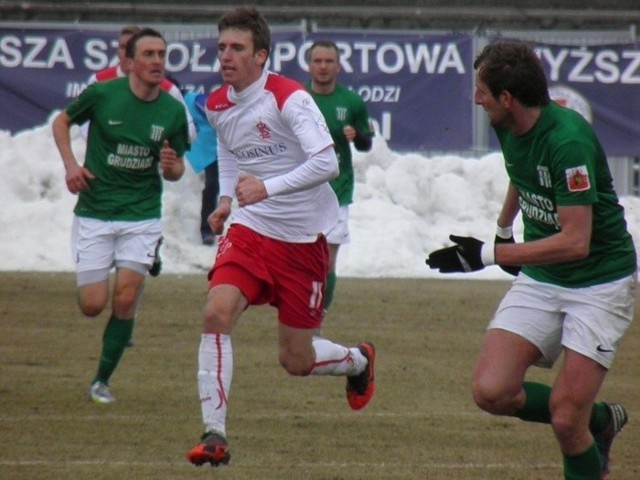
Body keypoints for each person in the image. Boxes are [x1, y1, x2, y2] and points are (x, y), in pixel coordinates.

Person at [426, 40, 636, 480]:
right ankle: (601, 419)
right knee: (491, 390)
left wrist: (488, 254)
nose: (475, 99)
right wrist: (503, 227)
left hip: (599, 283)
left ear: (507, 98)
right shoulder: (509, 125)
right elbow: (522, 173)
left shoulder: (569, 141)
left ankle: (583, 425)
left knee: (564, 419)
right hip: (544, 275)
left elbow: (576, 241)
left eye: (482, 91)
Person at [186, 7, 376, 467]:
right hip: (250, 231)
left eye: (237, 48)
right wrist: (228, 199)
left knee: (295, 360)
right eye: (222, 48)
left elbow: (327, 163)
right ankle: (214, 434)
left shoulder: (289, 97)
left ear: (261, 55)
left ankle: (358, 361)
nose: (226, 57)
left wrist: (267, 186)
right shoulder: (217, 104)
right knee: (216, 314)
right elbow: (231, 154)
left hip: (302, 240)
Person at [52, 27, 189, 404]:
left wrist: (171, 164)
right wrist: (71, 166)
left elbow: (177, 169)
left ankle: (101, 381)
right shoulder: (102, 94)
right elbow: (60, 122)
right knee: (93, 305)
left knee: (125, 299)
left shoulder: (172, 110)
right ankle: (126, 269)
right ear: (129, 62)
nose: (157, 61)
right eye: (149, 54)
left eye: (162, 54)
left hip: (142, 214)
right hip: (96, 211)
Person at [306, 40, 374, 313]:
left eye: (328, 61)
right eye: (318, 61)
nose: (323, 67)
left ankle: (317, 318)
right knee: (301, 260)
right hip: (303, 191)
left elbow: (366, 143)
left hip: (338, 190)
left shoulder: (352, 102)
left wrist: (357, 136)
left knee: (326, 263)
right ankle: (298, 314)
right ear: (309, 65)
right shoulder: (298, 98)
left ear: (338, 66)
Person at [183, 90, 220, 245]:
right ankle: (206, 230)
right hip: (203, 154)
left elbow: (216, 114)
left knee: (213, 185)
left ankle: (209, 229)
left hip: (219, 150)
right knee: (211, 186)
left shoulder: (194, 101)